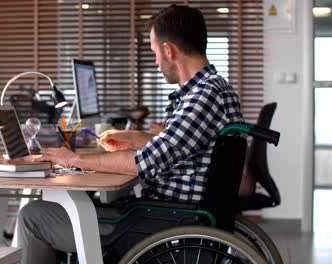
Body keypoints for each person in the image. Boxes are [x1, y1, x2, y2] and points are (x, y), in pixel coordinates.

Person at [19, 4, 243, 263]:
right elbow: (186, 146)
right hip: (176, 216)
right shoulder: (217, 90)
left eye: (155, 52)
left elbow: (142, 163)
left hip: (162, 224)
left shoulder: (203, 96)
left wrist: (72, 159)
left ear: (168, 50)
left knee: (34, 215)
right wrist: (133, 138)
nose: (157, 62)